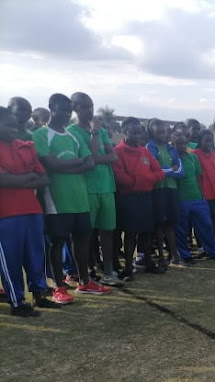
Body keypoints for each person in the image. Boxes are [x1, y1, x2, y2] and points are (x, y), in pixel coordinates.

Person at [33, 93, 110, 301]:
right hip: (56, 200)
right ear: (51, 108)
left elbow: (90, 162)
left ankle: (84, 282)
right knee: (56, 242)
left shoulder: (73, 135)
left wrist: (64, 167)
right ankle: (59, 286)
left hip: (80, 198)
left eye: (69, 111)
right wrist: (76, 165)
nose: (66, 115)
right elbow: (50, 165)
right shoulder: (41, 135)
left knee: (82, 240)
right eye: (62, 110)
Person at [0, 107, 60, 316]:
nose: (15, 129)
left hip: (32, 210)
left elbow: (44, 178)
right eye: (8, 125)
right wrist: (27, 178)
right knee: (11, 259)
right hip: (5, 214)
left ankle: (39, 294)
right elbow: (2, 180)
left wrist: (15, 179)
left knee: (36, 254)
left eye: (16, 124)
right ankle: (17, 302)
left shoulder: (26, 146)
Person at [69, 92, 121, 286]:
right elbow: (89, 158)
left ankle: (108, 271)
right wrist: (95, 133)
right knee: (85, 234)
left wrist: (97, 157)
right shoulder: (73, 131)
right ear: (75, 109)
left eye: (90, 105)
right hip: (87, 189)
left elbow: (113, 156)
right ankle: (86, 272)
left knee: (107, 231)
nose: (89, 110)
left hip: (107, 186)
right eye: (83, 106)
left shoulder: (102, 131)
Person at [112, 117, 164, 281]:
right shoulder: (118, 152)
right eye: (133, 132)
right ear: (125, 132)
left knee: (147, 232)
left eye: (139, 132)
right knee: (130, 234)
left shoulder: (144, 151)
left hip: (145, 197)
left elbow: (159, 173)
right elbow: (120, 177)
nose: (136, 135)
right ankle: (128, 266)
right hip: (128, 198)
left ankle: (146, 261)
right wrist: (142, 179)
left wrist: (140, 179)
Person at [172, 132, 215, 262]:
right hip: (181, 199)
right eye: (179, 144)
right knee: (182, 229)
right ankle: (185, 255)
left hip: (198, 198)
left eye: (184, 143)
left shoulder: (192, 158)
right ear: (173, 144)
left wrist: (202, 197)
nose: (182, 146)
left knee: (206, 226)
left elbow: (198, 177)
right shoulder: (171, 160)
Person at [146, 119, 183, 269]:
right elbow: (153, 170)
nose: (163, 135)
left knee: (171, 223)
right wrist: (170, 169)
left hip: (172, 189)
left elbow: (181, 172)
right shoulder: (150, 147)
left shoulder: (171, 148)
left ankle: (174, 255)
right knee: (160, 224)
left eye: (165, 131)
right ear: (152, 133)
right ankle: (161, 256)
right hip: (158, 189)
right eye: (159, 132)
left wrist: (166, 170)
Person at [194, 129, 215, 242]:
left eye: (211, 141)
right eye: (206, 141)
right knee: (203, 221)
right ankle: (202, 245)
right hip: (203, 193)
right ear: (200, 141)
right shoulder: (195, 154)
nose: (209, 144)